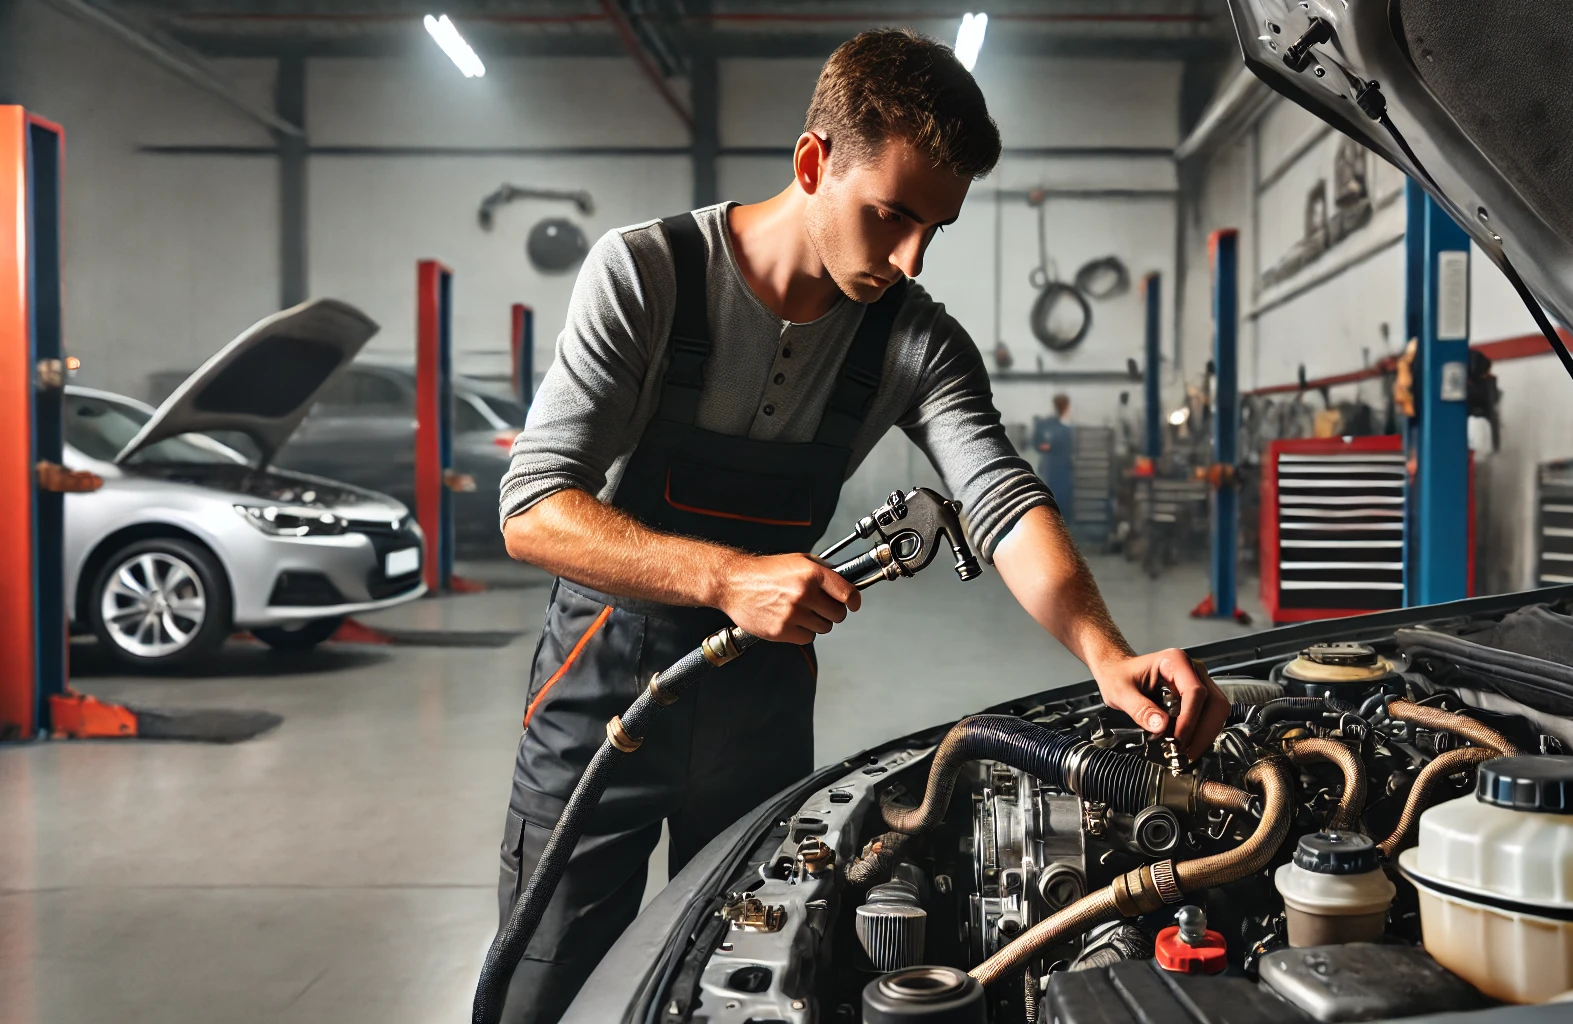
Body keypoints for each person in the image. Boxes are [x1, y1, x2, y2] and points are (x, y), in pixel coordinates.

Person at [494, 29, 1230, 1023]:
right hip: (601, 693)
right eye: (890, 215)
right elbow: (535, 509)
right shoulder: (648, 277)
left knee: (747, 981)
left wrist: (1104, 650)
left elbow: (1000, 498)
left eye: (937, 227)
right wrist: (725, 578)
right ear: (813, 163)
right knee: (548, 984)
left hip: (757, 711)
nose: (910, 256)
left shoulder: (911, 340)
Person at [1033, 392, 1076, 509]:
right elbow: (1038, 444)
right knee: (1052, 498)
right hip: (1051, 468)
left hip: (1064, 468)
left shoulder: (1067, 426)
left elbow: (1070, 447)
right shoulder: (1047, 425)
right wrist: (1048, 447)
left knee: (1064, 499)